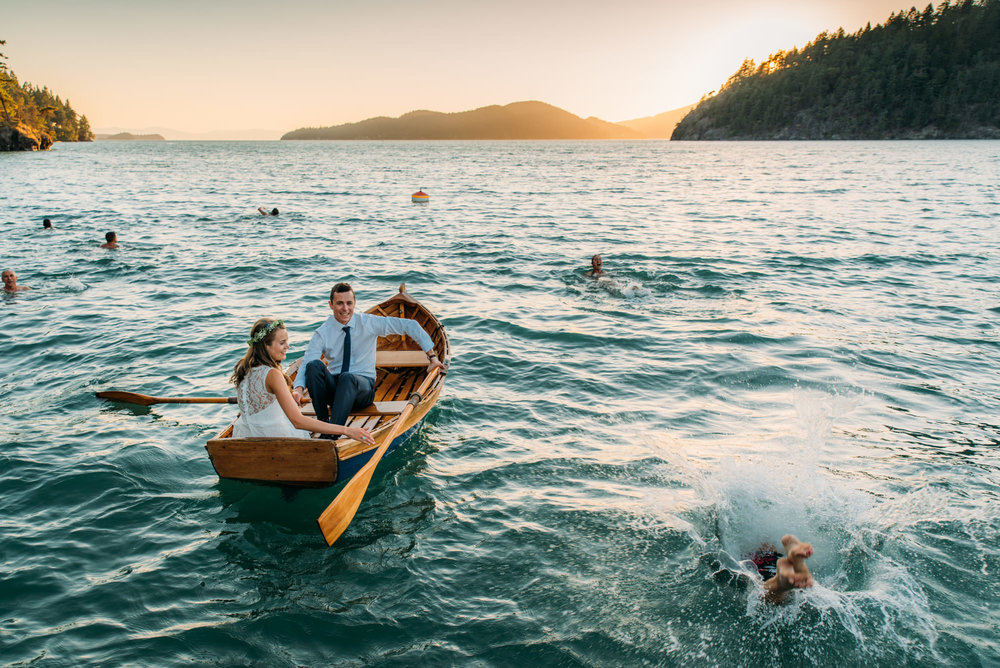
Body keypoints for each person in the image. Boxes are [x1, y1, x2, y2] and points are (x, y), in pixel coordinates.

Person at [295, 282, 446, 434]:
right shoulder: (323, 332)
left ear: (354, 303)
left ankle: (331, 436)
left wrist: (432, 357)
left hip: (363, 391)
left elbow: (410, 325)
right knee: (314, 365)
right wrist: (298, 390)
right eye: (339, 303)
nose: (345, 309)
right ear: (331, 305)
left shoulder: (368, 322)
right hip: (335, 392)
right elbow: (307, 361)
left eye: (349, 303)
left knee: (347, 378)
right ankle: (323, 424)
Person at [231, 317, 376, 442]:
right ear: (266, 346)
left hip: (246, 436)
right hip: (278, 438)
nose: (287, 346)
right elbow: (297, 421)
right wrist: (346, 431)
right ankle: (329, 434)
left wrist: (291, 394)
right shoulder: (272, 374)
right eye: (282, 343)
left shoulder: (243, 370)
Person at [749, 534, 815, 604]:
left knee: (763, 593)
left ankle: (781, 582)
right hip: (778, 558)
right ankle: (797, 562)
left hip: (761, 564)